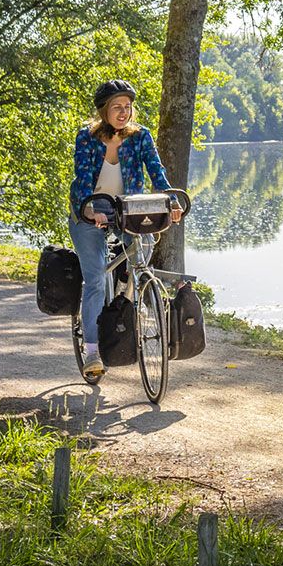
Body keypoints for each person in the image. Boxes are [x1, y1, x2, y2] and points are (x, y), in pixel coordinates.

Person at [68, 78, 175, 383]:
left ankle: (127, 288)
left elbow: (157, 172)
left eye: (127, 106)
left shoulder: (140, 137)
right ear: (103, 110)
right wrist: (89, 208)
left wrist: (170, 200)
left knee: (147, 241)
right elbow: (83, 175)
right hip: (89, 213)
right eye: (117, 106)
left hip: (126, 212)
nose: (123, 112)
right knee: (95, 280)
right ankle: (92, 352)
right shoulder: (87, 138)